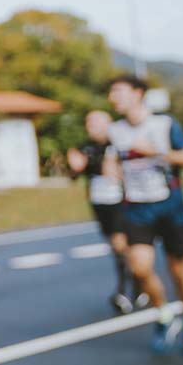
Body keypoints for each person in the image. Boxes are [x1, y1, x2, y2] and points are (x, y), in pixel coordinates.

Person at [105, 74, 183, 355]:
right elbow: (113, 158)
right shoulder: (116, 130)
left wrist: (155, 151)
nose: (113, 98)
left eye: (118, 91)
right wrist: (111, 168)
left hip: (170, 207)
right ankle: (164, 316)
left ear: (137, 93)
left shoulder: (164, 124)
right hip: (137, 209)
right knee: (140, 268)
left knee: (179, 271)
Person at [66, 110, 135, 313]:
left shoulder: (119, 144)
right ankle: (136, 284)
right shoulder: (84, 147)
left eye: (95, 121)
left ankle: (124, 291)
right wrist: (75, 168)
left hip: (120, 201)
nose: (91, 126)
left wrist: (118, 173)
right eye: (88, 122)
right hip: (99, 202)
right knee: (117, 247)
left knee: (121, 245)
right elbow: (74, 175)